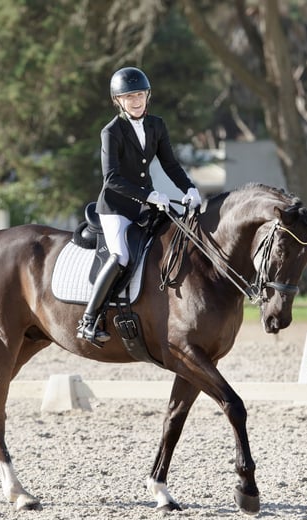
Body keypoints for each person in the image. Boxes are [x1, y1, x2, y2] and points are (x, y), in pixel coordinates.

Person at [76, 66, 203, 345]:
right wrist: (147, 196)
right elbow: (111, 180)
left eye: (140, 94)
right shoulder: (111, 131)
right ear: (117, 100)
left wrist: (190, 188)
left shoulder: (156, 125)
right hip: (116, 208)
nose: (136, 100)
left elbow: (169, 163)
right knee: (121, 256)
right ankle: (88, 319)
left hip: (146, 207)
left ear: (148, 95)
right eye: (129, 96)